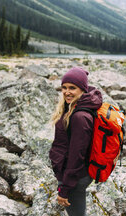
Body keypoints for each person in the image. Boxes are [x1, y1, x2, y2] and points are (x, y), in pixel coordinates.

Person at [49, 67, 103, 216]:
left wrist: (65, 188)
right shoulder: (72, 108)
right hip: (74, 174)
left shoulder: (80, 117)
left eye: (72, 88)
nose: (67, 92)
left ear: (83, 89)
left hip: (75, 177)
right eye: (64, 87)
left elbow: (76, 156)